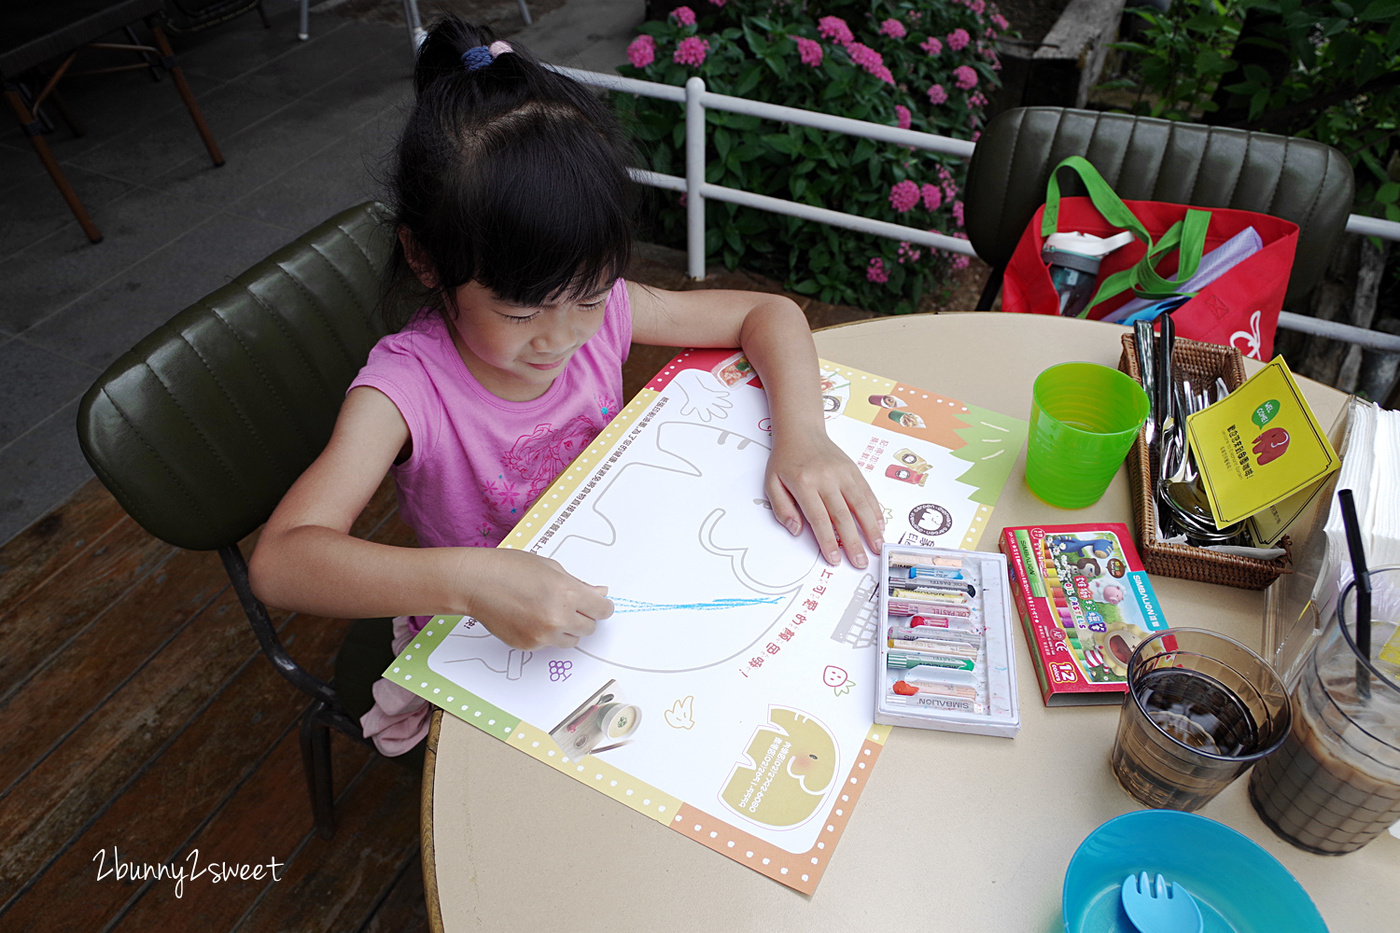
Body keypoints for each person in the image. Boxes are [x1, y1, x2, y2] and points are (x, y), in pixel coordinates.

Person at [247, 18, 884, 755]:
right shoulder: (404, 389)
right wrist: (470, 582)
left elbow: (767, 312)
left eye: (589, 295)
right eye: (521, 310)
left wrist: (803, 436)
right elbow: (283, 560)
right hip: (481, 629)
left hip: (620, 578)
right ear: (424, 257)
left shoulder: (602, 308)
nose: (563, 337)